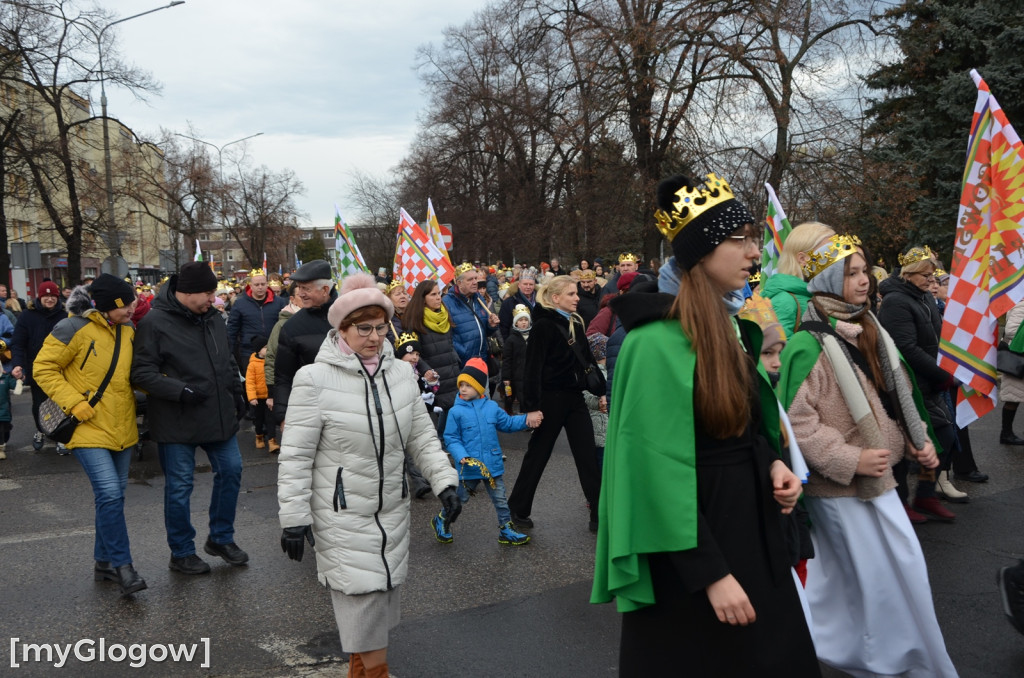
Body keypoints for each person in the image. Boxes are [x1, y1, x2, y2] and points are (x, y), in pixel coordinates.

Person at [591, 173, 817, 675]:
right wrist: (711, 575)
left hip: (752, 530)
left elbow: (741, 425)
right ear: (702, 251)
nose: (753, 253)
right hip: (693, 550)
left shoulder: (730, 325)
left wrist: (773, 463)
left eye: (752, 239)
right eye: (738, 240)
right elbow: (651, 471)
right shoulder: (652, 344)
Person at [778, 234, 956, 677]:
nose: (863, 281)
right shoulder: (808, 343)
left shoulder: (867, 325)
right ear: (828, 281)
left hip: (880, 479)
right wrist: (848, 459)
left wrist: (918, 441)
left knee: (890, 575)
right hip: (841, 488)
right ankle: (880, 659)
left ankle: (896, 655)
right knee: (875, 582)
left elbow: (896, 397)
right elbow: (796, 423)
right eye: (851, 273)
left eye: (864, 271)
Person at [277, 272, 462, 678]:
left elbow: (422, 437)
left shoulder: (399, 374)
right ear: (342, 329)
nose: (375, 337)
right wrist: (294, 518)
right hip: (342, 513)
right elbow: (294, 457)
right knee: (362, 604)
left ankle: (361, 672)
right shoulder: (314, 380)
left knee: (381, 602)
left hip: (392, 509)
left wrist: (445, 480)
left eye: (381, 327)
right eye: (364, 328)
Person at [131, 261, 249, 575]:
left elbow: (225, 360)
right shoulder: (154, 322)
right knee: (180, 487)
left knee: (233, 471)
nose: (215, 297)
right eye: (209, 292)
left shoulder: (212, 318)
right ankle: (181, 552)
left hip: (218, 415)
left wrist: (237, 392)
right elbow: (141, 373)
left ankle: (221, 538)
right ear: (187, 292)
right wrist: (180, 390)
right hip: (176, 419)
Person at [33, 275, 146, 595]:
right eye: (127, 304)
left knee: (112, 499)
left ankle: (103, 562)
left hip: (121, 426)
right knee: (110, 494)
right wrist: (75, 402)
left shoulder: (128, 329)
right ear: (110, 306)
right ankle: (124, 567)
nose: (132, 308)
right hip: (84, 425)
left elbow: (130, 376)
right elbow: (42, 368)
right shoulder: (72, 328)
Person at [507, 275, 604, 532]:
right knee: (538, 455)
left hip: (574, 399)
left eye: (577, 293)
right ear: (555, 297)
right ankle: (518, 508)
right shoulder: (543, 326)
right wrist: (531, 407)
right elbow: (532, 369)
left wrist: (600, 390)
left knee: (587, 456)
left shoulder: (576, 322)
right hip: (549, 400)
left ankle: (599, 513)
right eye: (571, 294)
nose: (577, 298)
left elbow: (587, 360)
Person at [877, 245, 961, 521]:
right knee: (905, 447)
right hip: (910, 384)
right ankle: (902, 502)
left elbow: (935, 340)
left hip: (929, 382)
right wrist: (942, 375)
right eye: (926, 274)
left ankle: (925, 494)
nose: (931, 279)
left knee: (945, 437)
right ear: (909, 274)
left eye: (933, 273)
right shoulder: (895, 302)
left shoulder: (923, 297)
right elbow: (907, 349)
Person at [434, 357, 539, 545]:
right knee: (460, 498)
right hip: (470, 466)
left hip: (492, 465)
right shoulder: (455, 412)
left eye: (469, 385)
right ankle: (442, 519)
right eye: (462, 384)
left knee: (500, 499)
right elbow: (451, 438)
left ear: (480, 388)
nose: (463, 389)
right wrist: (461, 455)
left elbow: (507, 423)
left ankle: (506, 529)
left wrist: (526, 419)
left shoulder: (491, 407)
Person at [273, 260, 337, 424]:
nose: (300, 293)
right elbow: (283, 377)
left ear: (325, 290)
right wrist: (283, 416)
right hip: (313, 412)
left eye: (305, 288)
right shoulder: (292, 327)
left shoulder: (350, 317)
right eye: (299, 287)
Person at [9, 281, 65, 451]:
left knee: (61, 402)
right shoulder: (27, 316)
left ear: (57, 297)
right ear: (40, 297)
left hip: (61, 369)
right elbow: (18, 343)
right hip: (37, 368)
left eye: (53, 296)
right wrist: (18, 364)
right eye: (46, 296)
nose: (49, 299)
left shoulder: (65, 316)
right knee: (39, 403)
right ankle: (40, 429)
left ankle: (60, 435)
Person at [761, 221, 836, 337]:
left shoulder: (820, 293)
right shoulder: (785, 300)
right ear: (802, 259)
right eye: (828, 253)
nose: (836, 258)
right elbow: (780, 350)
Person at [404, 280, 462, 422]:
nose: (438, 298)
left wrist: (456, 360)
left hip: (452, 373)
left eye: (439, 294)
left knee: (455, 418)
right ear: (422, 298)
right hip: (434, 378)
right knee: (443, 421)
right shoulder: (415, 321)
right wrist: (427, 372)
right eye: (433, 294)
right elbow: (414, 354)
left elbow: (449, 344)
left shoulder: (443, 315)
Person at [227, 268, 286, 373]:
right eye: (257, 284)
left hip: (274, 350)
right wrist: (229, 352)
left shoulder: (279, 302)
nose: (260, 287)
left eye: (263, 284)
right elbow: (232, 329)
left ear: (267, 284)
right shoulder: (240, 303)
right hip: (249, 351)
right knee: (252, 385)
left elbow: (285, 326)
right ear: (250, 285)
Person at [443, 263, 499, 366]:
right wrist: (463, 353)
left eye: (475, 278)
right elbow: (446, 337)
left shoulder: (479, 298)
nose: (475, 282)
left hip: (482, 360)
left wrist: (490, 326)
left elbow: (483, 331)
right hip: (463, 363)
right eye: (470, 280)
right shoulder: (447, 303)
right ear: (459, 283)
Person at [999, 299, 1024, 445]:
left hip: (1018, 357)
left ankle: (1007, 433)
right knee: (1012, 398)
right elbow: (1011, 330)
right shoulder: (1021, 304)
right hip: (1017, 357)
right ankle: (1006, 434)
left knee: (1014, 397)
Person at [583, 333, 609, 469]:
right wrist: (598, 403)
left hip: (606, 427)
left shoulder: (610, 371)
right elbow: (585, 396)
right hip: (597, 426)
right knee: (600, 462)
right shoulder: (591, 374)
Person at [501, 304, 531, 414]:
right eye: (521, 320)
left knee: (528, 396)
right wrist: (506, 377)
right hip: (516, 374)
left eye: (526, 320)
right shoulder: (512, 339)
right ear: (516, 323)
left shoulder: (533, 336)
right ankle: (509, 413)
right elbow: (507, 359)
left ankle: (527, 415)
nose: (524, 322)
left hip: (530, 373)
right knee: (514, 395)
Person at [246, 336, 274, 451]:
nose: (268, 349)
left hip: (269, 397)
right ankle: (259, 436)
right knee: (259, 420)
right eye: (265, 347)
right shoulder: (252, 364)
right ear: (258, 350)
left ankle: (272, 440)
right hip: (258, 399)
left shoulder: (271, 362)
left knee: (270, 419)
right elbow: (250, 382)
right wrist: (252, 397)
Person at [498, 272, 537, 339]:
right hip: (517, 343)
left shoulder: (541, 301)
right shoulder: (509, 302)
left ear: (534, 285)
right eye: (525, 284)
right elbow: (503, 327)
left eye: (531, 284)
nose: (528, 287)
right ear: (519, 285)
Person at [0, 341, 17, 459]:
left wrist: (20, 379)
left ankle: (2, 443)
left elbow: (16, 388)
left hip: (3, 410)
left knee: (3, 428)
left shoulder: (4, 378)